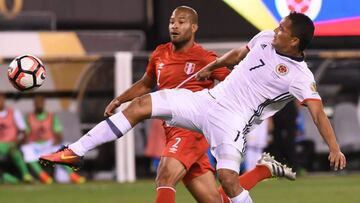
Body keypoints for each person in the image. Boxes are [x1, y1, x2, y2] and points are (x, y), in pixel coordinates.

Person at [38, 11, 343, 203]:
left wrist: (333, 148)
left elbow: (316, 112)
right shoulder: (265, 38)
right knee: (141, 105)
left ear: (295, 42)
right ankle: (75, 151)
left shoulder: (301, 78)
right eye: (278, 26)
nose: (275, 31)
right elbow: (238, 53)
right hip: (206, 102)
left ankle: (262, 171)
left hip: (233, 123)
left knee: (227, 183)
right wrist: (212, 68)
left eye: (282, 30)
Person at [21, 94, 85, 184]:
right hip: (35, 145)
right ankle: (43, 176)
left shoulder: (51, 116)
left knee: (62, 149)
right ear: (34, 104)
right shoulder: (28, 117)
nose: (39, 104)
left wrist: (56, 142)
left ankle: (72, 175)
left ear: (44, 103)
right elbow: (26, 134)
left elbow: (58, 134)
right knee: (26, 150)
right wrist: (25, 142)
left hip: (49, 144)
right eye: (37, 102)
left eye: (41, 102)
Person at [0, 92, 33, 183]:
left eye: (1, 98)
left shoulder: (13, 113)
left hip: (12, 143)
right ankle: (14, 180)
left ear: (4, 99)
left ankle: (26, 175)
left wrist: (18, 142)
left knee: (14, 151)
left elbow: (23, 131)